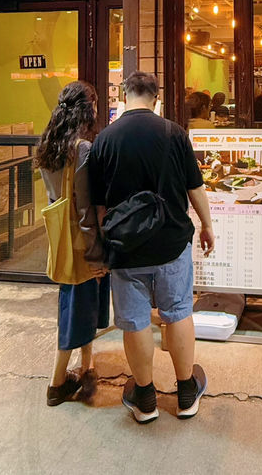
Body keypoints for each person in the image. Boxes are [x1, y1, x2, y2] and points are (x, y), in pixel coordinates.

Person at [88, 71, 215, 423]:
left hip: (126, 247)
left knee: (135, 320)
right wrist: (207, 225)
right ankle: (186, 392)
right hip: (171, 242)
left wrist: (104, 245)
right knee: (178, 312)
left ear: (123, 95)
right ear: (156, 98)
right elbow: (195, 186)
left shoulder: (104, 139)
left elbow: (99, 205)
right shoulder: (174, 133)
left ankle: (145, 399)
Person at [36, 81, 110, 407]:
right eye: (94, 103)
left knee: (82, 305)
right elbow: (84, 209)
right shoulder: (82, 150)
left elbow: (56, 198)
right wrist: (96, 254)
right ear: (87, 108)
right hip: (82, 241)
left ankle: (87, 365)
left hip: (62, 239)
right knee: (75, 309)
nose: (97, 108)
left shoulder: (48, 145)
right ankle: (56, 383)